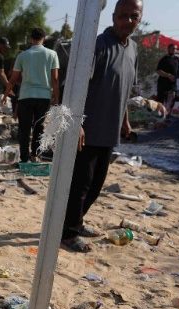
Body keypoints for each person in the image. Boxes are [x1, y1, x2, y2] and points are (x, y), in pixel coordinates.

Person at [61, 0, 142, 253]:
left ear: (139, 18)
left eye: (133, 16)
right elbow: (75, 86)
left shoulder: (133, 49)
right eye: (123, 16)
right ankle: (68, 233)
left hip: (110, 129)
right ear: (114, 16)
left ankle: (74, 222)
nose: (128, 21)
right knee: (81, 184)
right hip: (89, 129)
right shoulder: (97, 45)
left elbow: (125, 89)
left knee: (96, 183)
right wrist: (77, 123)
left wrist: (125, 121)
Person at [5, 28, 60, 163]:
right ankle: (35, 155)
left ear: (31, 39)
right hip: (44, 97)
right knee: (39, 127)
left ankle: (24, 158)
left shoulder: (22, 55)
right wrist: (56, 97)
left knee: (24, 128)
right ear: (44, 38)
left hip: (26, 96)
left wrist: (6, 93)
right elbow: (55, 79)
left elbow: (13, 78)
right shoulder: (52, 54)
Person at [155, 43, 179, 114]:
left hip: (172, 85)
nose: (174, 50)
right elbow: (158, 71)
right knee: (160, 102)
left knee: (171, 102)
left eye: (175, 49)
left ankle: (167, 118)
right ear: (168, 49)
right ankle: (159, 118)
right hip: (163, 85)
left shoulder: (177, 59)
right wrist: (168, 75)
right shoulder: (164, 59)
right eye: (173, 48)